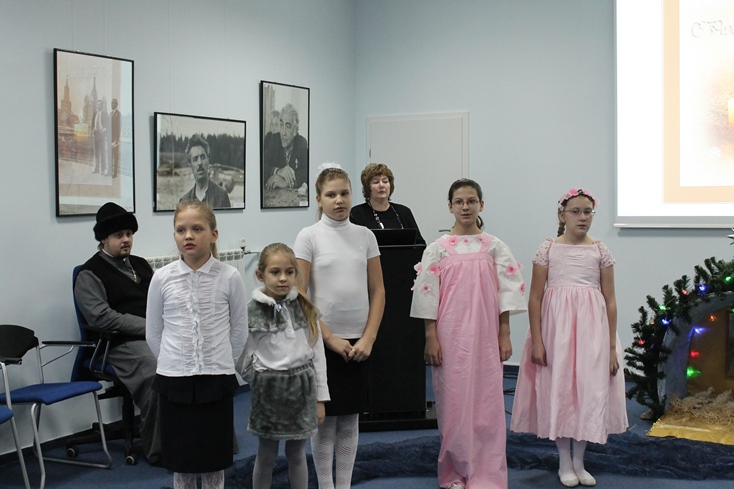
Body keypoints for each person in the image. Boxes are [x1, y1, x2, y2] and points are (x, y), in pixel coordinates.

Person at [410, 179, 527, 489]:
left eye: (471, 201)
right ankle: (455, 472)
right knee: (453, 405)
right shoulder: (438, 249)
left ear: (481, 205)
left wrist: (505, 332)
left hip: (486, 336)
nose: (465, 207)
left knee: (487, 406)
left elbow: (506, 294)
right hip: (451, 337)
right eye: (459, 201)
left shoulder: (495, 247)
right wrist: (431, 335)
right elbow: (427, 295)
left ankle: (487, 473)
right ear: (450, 206)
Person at [510, 188, 628, 488]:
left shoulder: (600, 251)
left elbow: (610, 301)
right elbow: (535, 298)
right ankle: (564, 461)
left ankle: (579, 461)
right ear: (562, 215)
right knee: (561, 389)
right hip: (556, 331)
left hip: (592, 332)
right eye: (575, 211)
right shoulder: (548, 250)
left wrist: (611, 347)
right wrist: (538, 341)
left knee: (588, 391)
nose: (582, 217)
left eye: (587, 212)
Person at [293, 164, 385, 489]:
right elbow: (300, 294)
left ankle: (343, 485)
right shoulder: (309, 236)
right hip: (323, 341)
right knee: (325, 419)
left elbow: (378, 290)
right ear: (319, 199)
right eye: (331, 195)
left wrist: (369, 338)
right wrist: (328, 338)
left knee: (349, 417)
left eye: (344, 193)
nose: (339, 200)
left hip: (359, 341)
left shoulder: (365, 236)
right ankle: (326, 485)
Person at [146, 200, 247, 489]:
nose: (188, 236)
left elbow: (239, 330)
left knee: (214, 459)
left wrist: (220, 360)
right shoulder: (161, 278)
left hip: (215, 380)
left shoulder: (230, 276)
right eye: (181, 230)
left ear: (213, 234)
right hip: (174, 381)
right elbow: (154, 332)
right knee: (182, 461)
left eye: (197, 229)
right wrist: (175, 361)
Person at [74, 202, 161, 465]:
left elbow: (161, 299)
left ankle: (197, 441)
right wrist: (149, 327)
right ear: (103, 239)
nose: (126, 240)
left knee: (195, 361)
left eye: (129, 234)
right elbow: (102, 317)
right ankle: (161, 451)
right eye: (118, 235)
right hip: (118, 344)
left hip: (156, 336)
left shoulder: (140, 265)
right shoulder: (89, 274)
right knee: (158, 373)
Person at [239, 243, 330, 489]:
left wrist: (320, 399)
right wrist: (260, 379)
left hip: (302, 390)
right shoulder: (252, 312)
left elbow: (318, 355)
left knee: (297, 453)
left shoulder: (305, 307)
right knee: (267, 454)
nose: (283, 278)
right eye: (275, 272)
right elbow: (242, 356)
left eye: (289, 272)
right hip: (269, 393)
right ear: (260, 275)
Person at [349, 163, 426, 245]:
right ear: (368, 187)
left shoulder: (404, 212)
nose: (381, 185)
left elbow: (420, 244)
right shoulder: (356, 214)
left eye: (385, 181)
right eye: (376, 182)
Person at [263, 103, 308, 195]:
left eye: (288, 126)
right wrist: (278, 171)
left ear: (295, 130)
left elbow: (306, 172)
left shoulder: (301, 143)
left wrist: (285, 182)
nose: (283, 133)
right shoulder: (274, 140)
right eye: (281, 124)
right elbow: (262, 165)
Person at [179, 134, 232, 208]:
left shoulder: (222, 195)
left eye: (203, 157)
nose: (200, 163)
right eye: (195, 159)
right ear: (190, 166)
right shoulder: (184, 201)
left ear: (208, 161)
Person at [91, 98, 109, 175]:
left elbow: (107, 125)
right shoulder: (95, 113)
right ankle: (97, 168)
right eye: (97, 104)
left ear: (102, 105)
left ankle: (103, 169)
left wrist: (104, 130)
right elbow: (92, 123)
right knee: (96, 152)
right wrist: (93, 129)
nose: (98, 106)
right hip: (96, 134)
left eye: (99, 104)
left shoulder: (105, 114)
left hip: (102, 134)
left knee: (102, 152)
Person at [109, 98, 121, 178]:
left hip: (115, 139)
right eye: (111, 103)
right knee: (110, 155)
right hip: (110, 138)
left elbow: (119, 128)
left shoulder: (119, 115)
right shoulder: (110, 114)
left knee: (115, 156)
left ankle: (115, 173)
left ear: (116, 104)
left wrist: (117, 139)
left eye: (113, 103)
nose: (111, 105)